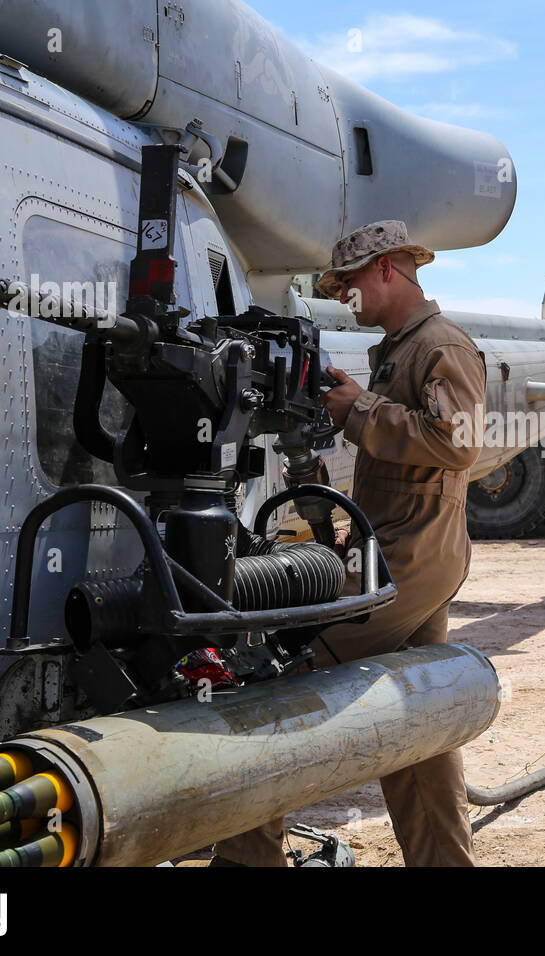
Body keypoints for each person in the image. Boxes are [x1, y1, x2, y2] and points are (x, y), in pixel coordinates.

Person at [212, 220, 487, 867]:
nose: (345, 297)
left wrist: (357, 410)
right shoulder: (399, 349)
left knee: (283, 674)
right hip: (401, 553)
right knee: (416, 722)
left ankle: (248, 856)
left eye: (352, 283)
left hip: (408, 557)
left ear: (389, 268)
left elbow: (460, 441)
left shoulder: (440, 344)